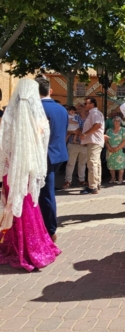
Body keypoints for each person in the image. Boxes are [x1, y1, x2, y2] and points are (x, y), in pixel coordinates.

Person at [0, 79, 61, 271]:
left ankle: (13, 244)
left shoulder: (9, 118)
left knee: (14, 206)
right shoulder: (40, 119)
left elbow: (3, 147)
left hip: (11, 172)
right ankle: (33, 246)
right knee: (30, 207)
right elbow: (42, 147)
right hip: (28, 171)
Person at [36, 76, 69, 242]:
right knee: (45, 192)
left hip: (44, 156)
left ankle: (50, 230)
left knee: (45, 194)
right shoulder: (61, 109)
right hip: (59, 154)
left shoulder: (38, 108)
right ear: (50, 90)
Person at [80, 98, 105, 195]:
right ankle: (96, 184)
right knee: (96, 163)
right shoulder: (93, 113)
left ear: (92, 104)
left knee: (92, 163)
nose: (85, 105)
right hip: (94, 141)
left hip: (94, 141)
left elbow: (97, 125)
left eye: (86, 103)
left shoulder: (95, 113)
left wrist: (85, 134)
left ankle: (93, 186)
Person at [63, 103, 88, 188]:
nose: (80, 109)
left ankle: (81, 180)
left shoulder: (89, 118)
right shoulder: (73, 117)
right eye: (79, 107)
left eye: (82, 107)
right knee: (70, 163)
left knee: (82, 163)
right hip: (73, 143)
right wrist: (74, 132)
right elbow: (66, 130)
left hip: (84, 144)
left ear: (85, 108)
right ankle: (68, 181)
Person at [105, 116, 125, 184]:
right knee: (111, 165)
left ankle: (120, 178)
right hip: (110, 150)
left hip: (120, 150)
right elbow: (105, 141)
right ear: (113, 122)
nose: (116, 122)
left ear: (120, 122)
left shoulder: (123, 130)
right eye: (115, 121)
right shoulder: (108, 130)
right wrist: (109, 148)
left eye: (118, 121)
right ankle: (113, 178)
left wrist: (118, 148)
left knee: (121, 165)